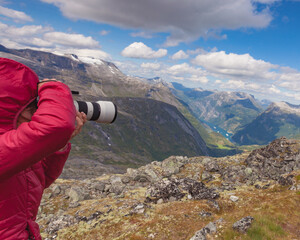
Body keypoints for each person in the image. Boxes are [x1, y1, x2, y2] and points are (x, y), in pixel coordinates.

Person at [0, 58, 86, 240]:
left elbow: (39, 181)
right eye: (32, 109)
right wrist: (54, 87)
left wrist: (60, 144)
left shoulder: (12, 150)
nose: (35, 115)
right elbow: (56, 125)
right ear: (9, 111)